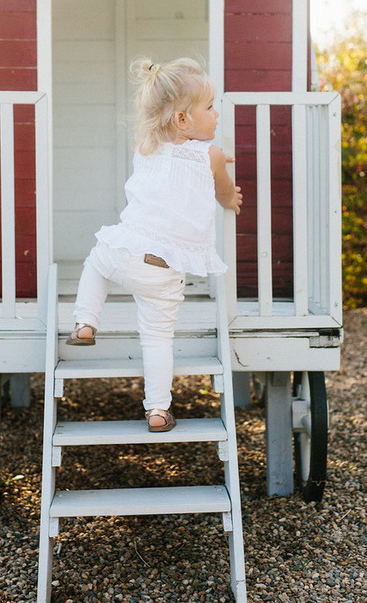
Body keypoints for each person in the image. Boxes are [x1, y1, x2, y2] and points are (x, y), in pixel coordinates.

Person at [67, 57, 242, 432]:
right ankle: (158, 410)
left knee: (95, 264)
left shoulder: (146, 145)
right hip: (163, 272)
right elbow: (224, 191)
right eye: (209, 108)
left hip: (123, 252)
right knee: (158, 339)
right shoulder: (210, 156)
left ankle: (85, 322)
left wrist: (211, 158)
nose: (217, 114)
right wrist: (229, 197)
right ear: (182, 120)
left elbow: (182, 160)